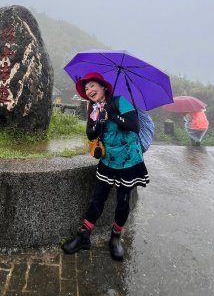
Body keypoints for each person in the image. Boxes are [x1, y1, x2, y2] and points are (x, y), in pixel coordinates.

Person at [62, 72, 149, 261]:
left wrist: (112, 115)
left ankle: (115, 238)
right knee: (97, 199)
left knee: (123, 201)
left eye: (92, 85)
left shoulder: (120, 102)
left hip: (129, 162)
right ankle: (84, 236)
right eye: (86, 89)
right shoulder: (94, 109)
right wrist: (100, 120)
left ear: (103, 87)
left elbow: (134, 125)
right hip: (108, 161)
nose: (89, 90)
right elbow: (91, 135)